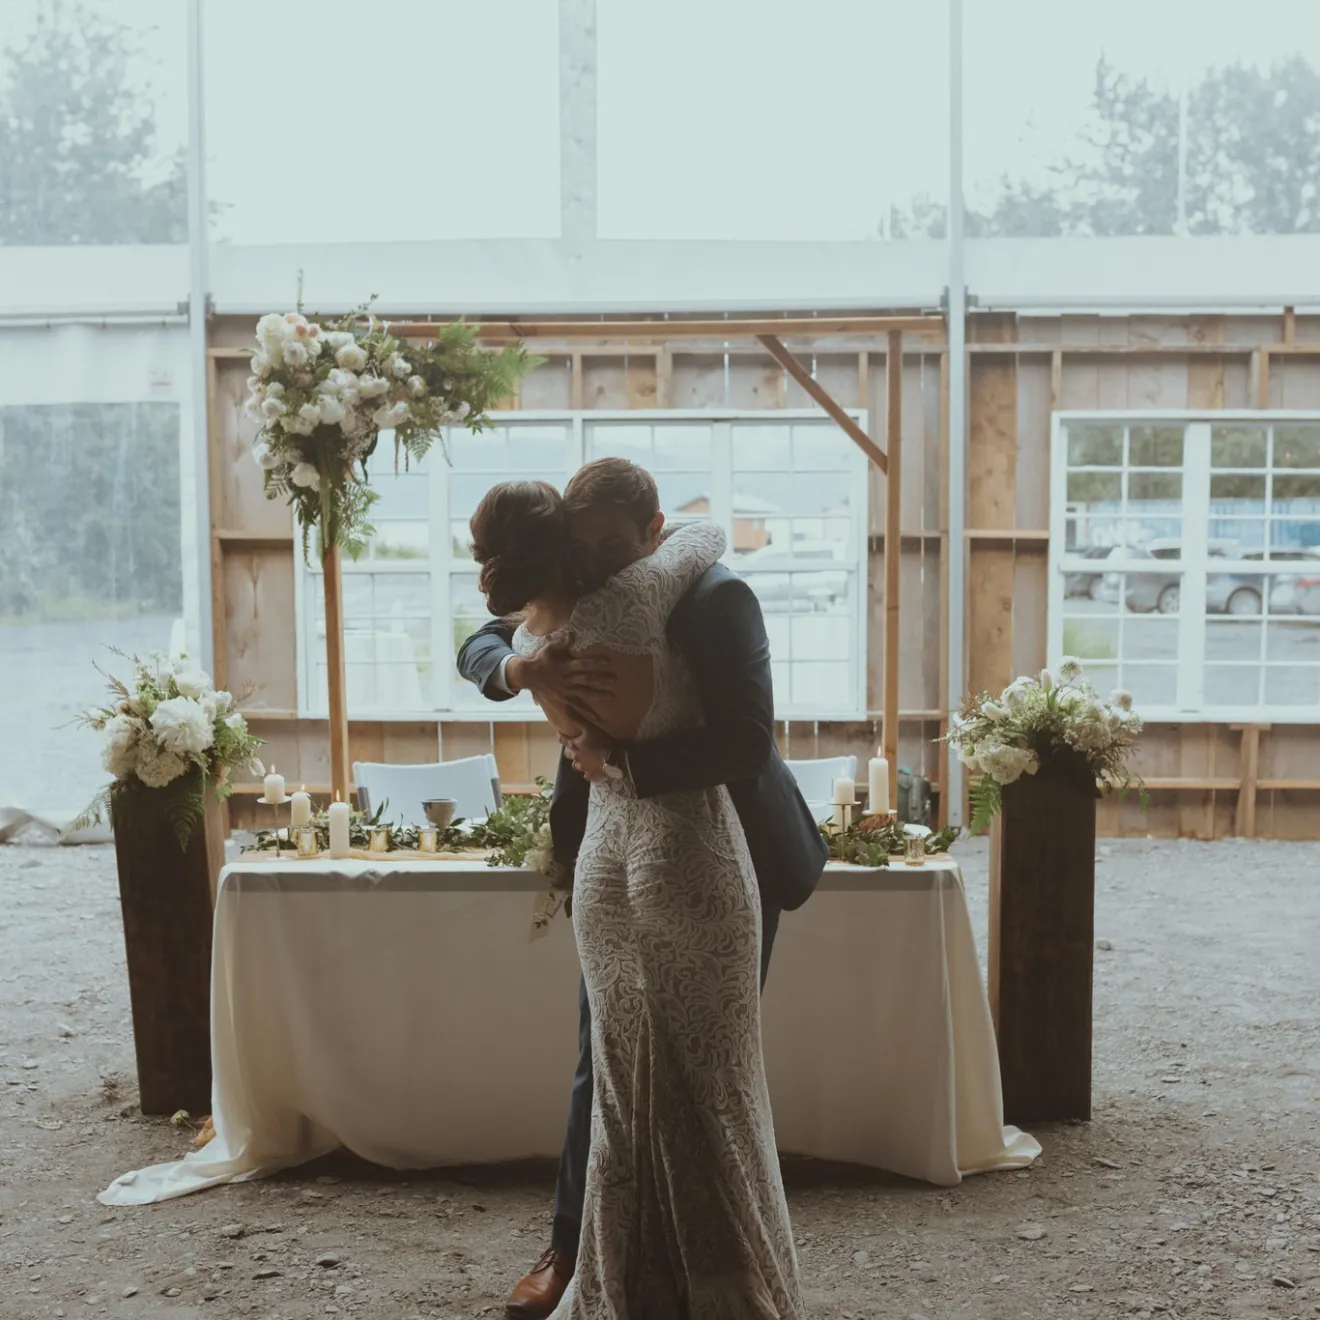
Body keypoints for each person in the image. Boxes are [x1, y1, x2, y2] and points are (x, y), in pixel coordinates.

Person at [457, 459, 827, 1319]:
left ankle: (712, 1262)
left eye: (615, 549)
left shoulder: (716, 597)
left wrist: (625, 761)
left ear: (655, 533)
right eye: (582, 554)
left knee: (706, 1069)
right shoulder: (572, 603)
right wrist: (522, 672)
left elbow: (746, 740)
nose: (598, 569)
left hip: (733, 851)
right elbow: (478, 638)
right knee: (607, 1059)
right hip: (612, 852)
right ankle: (576, 1247)